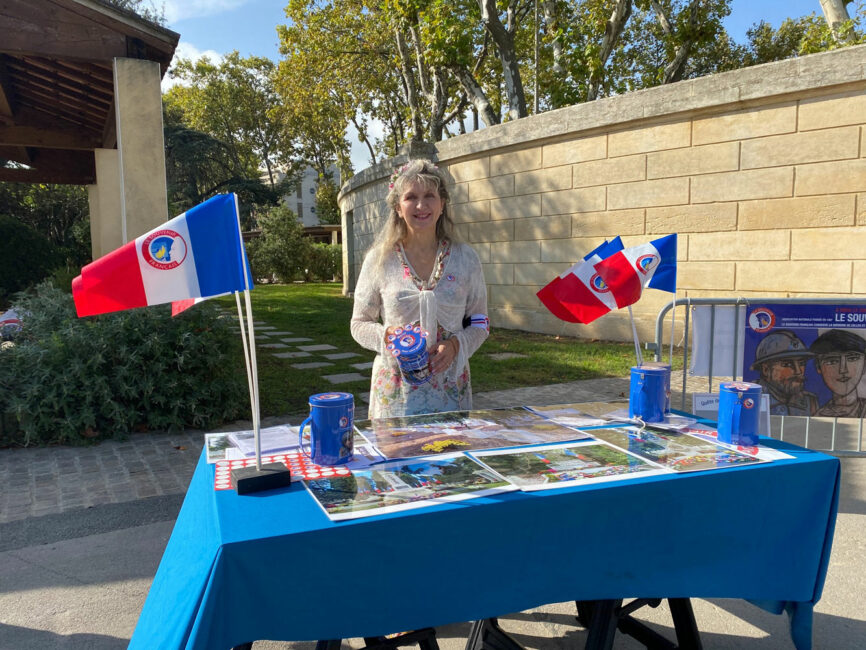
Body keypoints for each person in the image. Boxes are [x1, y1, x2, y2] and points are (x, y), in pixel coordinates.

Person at [350, 159, 489, 419]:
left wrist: (456, 346)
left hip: (450, 391)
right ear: (398, 207)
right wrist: (389, 336)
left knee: (450, 458)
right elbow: (359, 323)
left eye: (429, 196)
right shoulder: (380, 260)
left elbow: (480, 321)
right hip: (395, 392)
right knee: (395, 458)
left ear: (442, 204)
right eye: (411, 197)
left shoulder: (465, 258)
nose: (421, 205)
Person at [750, 329, 818, 416]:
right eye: (787, 364)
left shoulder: (809, 401)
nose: (798, 371)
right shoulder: (752, 396)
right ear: (766, 370)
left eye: (801, 363)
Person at [810, 329, 866, 418]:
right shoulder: (818, 416)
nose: (843, 370)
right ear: (818, 367)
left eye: (852, 358)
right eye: (832, 361)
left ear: (864, 365)